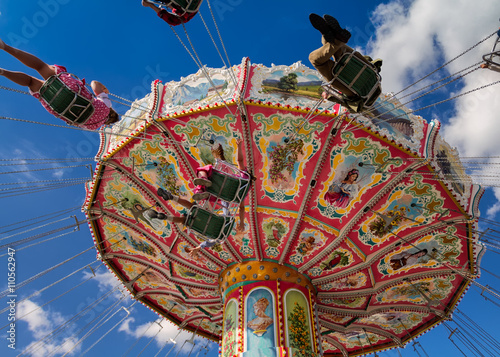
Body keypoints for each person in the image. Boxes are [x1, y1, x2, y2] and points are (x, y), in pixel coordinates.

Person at [0, 39, 119, 129]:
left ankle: (4, 47)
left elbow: (94, 84)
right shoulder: (92, 127)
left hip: (71, 89)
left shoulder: (107, 106)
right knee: (30, 82)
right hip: (56, 104)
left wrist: (104, 90)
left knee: (40, 66)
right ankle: (2, 72)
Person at [308, 14, 382, 103]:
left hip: (362, 76)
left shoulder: (373, 69)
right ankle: (332, 36)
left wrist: (329, 95)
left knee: (335, 48)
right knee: (319, 57)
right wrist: (329, 95)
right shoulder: (365, 103)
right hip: (359, 87)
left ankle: (329, 35)